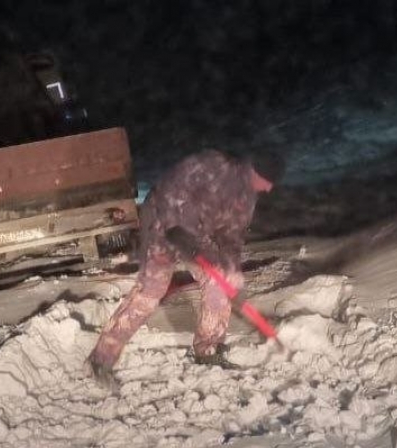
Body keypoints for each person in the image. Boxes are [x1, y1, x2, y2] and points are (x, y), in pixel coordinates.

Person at [87, 148, 285, 389]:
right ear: (255, 170)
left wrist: (232, 269)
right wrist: (178, 228)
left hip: (197, 239)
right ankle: (101, 359)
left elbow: (231, 238)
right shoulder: (213, 165)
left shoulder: (247, 198)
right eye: (268, 181)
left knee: (218, 284)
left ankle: (208, 351)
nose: (269, 189)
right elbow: (173, 188)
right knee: (150, 292)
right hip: (161, 226)